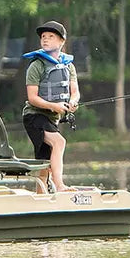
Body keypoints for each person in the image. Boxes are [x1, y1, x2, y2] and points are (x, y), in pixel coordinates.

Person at [21, 20, 79, 193]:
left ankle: (41, 198)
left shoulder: (68, 66)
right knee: (59, 142)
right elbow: (32, 98)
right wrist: (54, 106)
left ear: (61, 41)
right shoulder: (36, 65)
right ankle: (60, 186)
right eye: (43, 37)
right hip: (34, 117)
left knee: (44, 162)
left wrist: (73, 102)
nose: (45, 40)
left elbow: (75, 92)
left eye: (51, 37)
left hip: (52, 119)